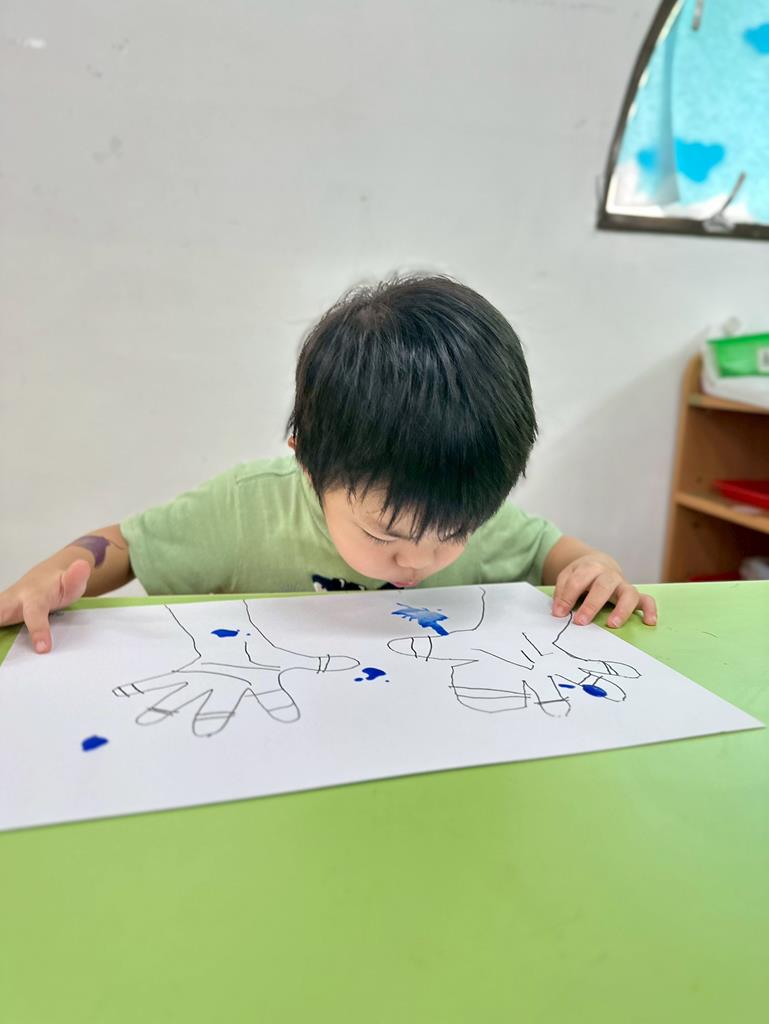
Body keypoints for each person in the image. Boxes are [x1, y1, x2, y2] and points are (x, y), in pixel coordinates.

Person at [0, 274, 657, 654]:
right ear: (310, 465)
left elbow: (551, 552)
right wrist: (53, 575)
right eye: (384, 534)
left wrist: (593, 569)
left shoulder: (459, 506)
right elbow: (124, 547)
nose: (420, 561)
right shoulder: (247, 509)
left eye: (452, 535)